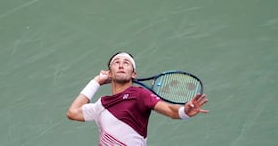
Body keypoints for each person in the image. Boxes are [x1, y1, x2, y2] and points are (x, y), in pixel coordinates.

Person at [66, 51, 209, 145]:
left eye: (126, 63)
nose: (121, 65)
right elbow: (73, 112)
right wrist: (96, 81)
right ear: (110, 73)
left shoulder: (140, 95)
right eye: (116, 62)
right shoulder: (102, 104)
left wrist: (185, 111)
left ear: (133, 74)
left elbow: (170, 110)